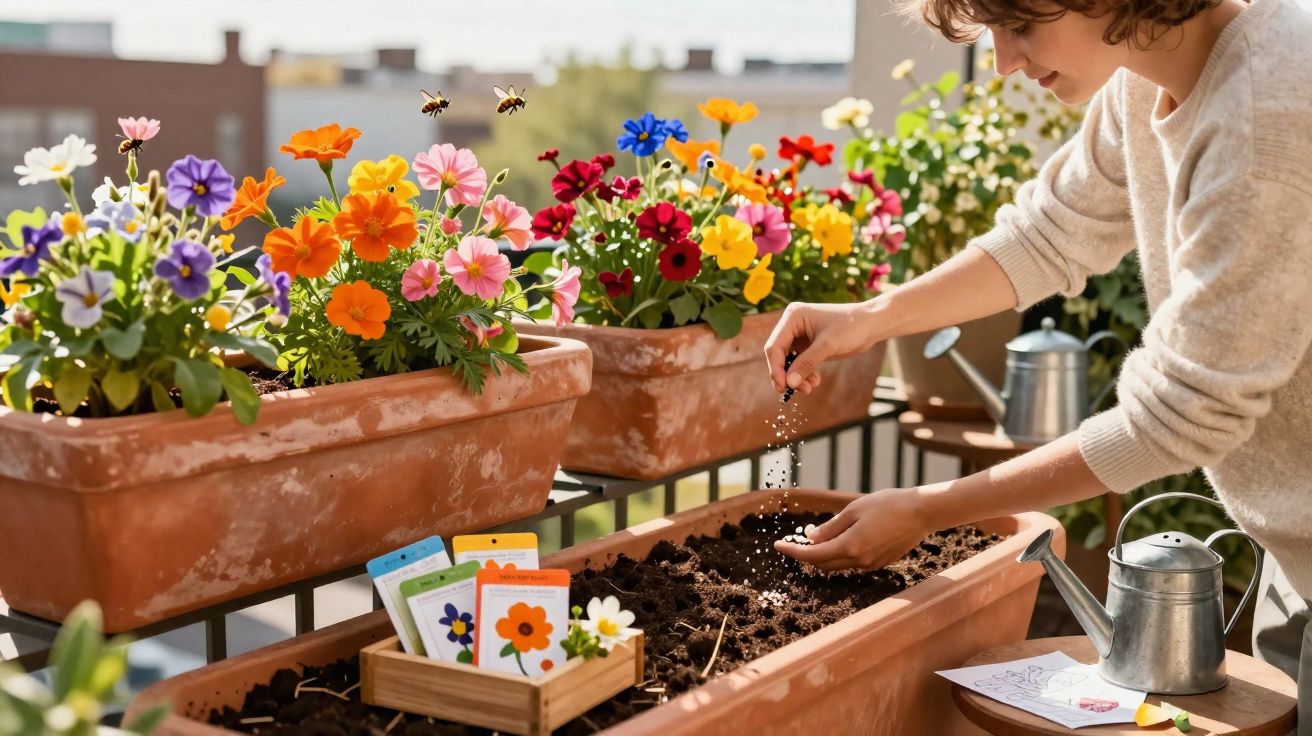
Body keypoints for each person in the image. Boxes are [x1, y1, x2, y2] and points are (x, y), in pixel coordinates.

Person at [766, 0, 1312, 728]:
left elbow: (1176, 417)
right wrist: (873, 318)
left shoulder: (1269, 109)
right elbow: (1050, 234)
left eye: (1020, 25)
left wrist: (930, 510)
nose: (1005, 62)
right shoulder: (1144, 80)